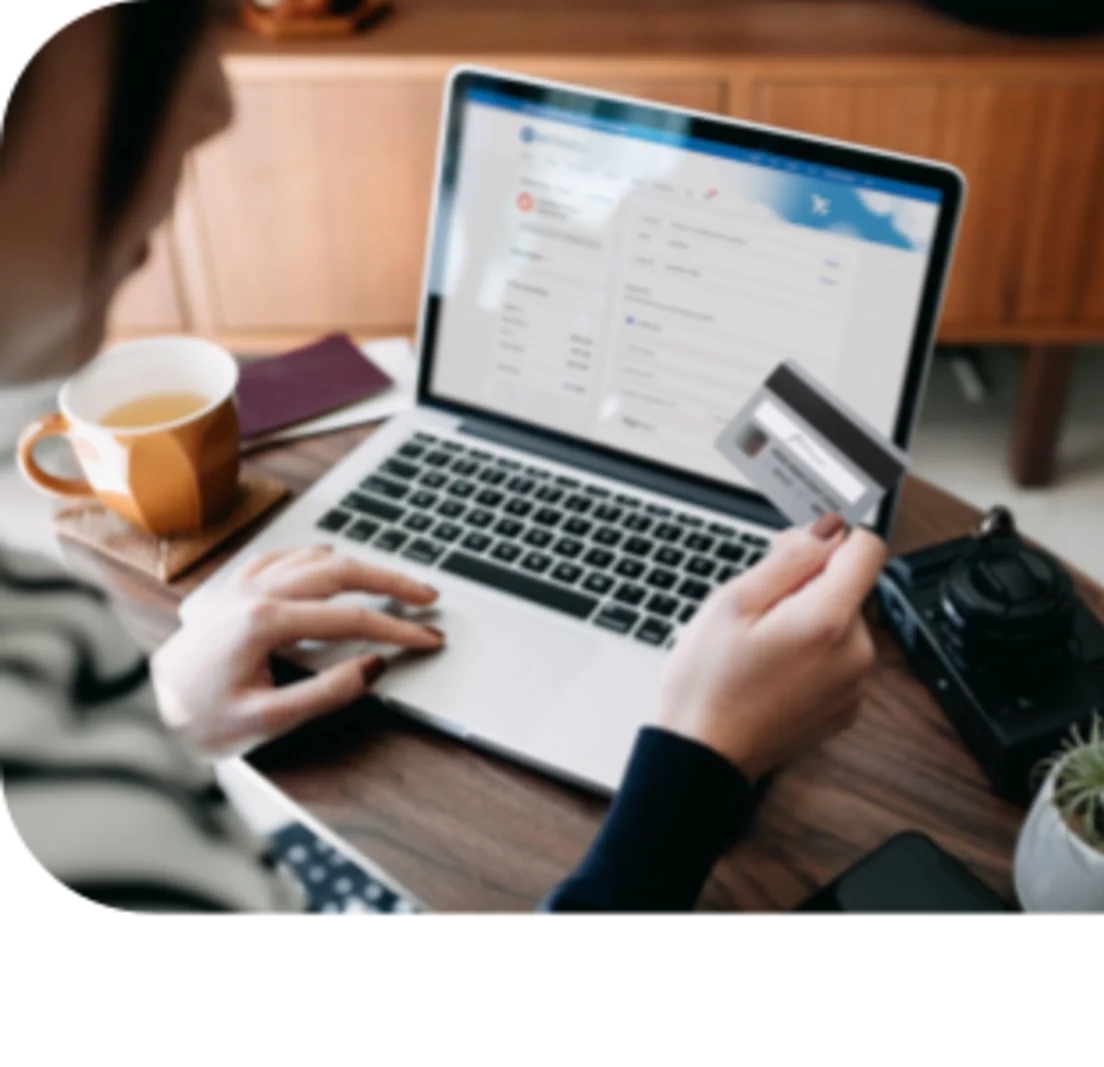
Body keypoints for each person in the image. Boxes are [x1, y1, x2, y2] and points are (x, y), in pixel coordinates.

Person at [1, 0, 886, 920]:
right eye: (153, 43)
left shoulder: (40, 650)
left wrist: (171, 714)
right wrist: (700, 764)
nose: (217, 106)